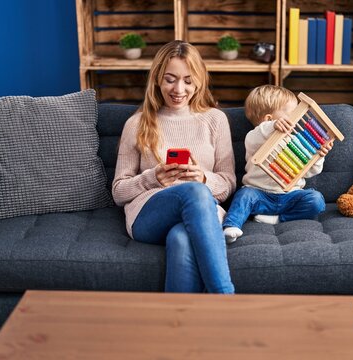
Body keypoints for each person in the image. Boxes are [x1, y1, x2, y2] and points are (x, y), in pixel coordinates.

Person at [112, 40, 236, 294]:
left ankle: (181, 327)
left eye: (188, 80)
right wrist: (153, 178)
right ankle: (225, 298)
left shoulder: (215, 120)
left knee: (180, 238)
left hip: (202, 213)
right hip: (149, 216)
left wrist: (203, 178)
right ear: (157, 79)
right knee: (194, 192)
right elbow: (118, 192)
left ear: (199, 82)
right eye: (170, 79)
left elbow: (229, 184)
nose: (179, 89)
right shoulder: (137, 124)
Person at [222, 85, 334, 243]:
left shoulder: (297, 142)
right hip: (259, 195)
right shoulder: (256, 137)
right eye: (292, 113)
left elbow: (309, 172)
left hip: (290, 196)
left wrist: (319, 155)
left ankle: (278, 219)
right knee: (243, 196)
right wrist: (272, 127)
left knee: (316, 200)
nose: (297, 117)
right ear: (269, 119)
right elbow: (259, 134)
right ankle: (231, 226)